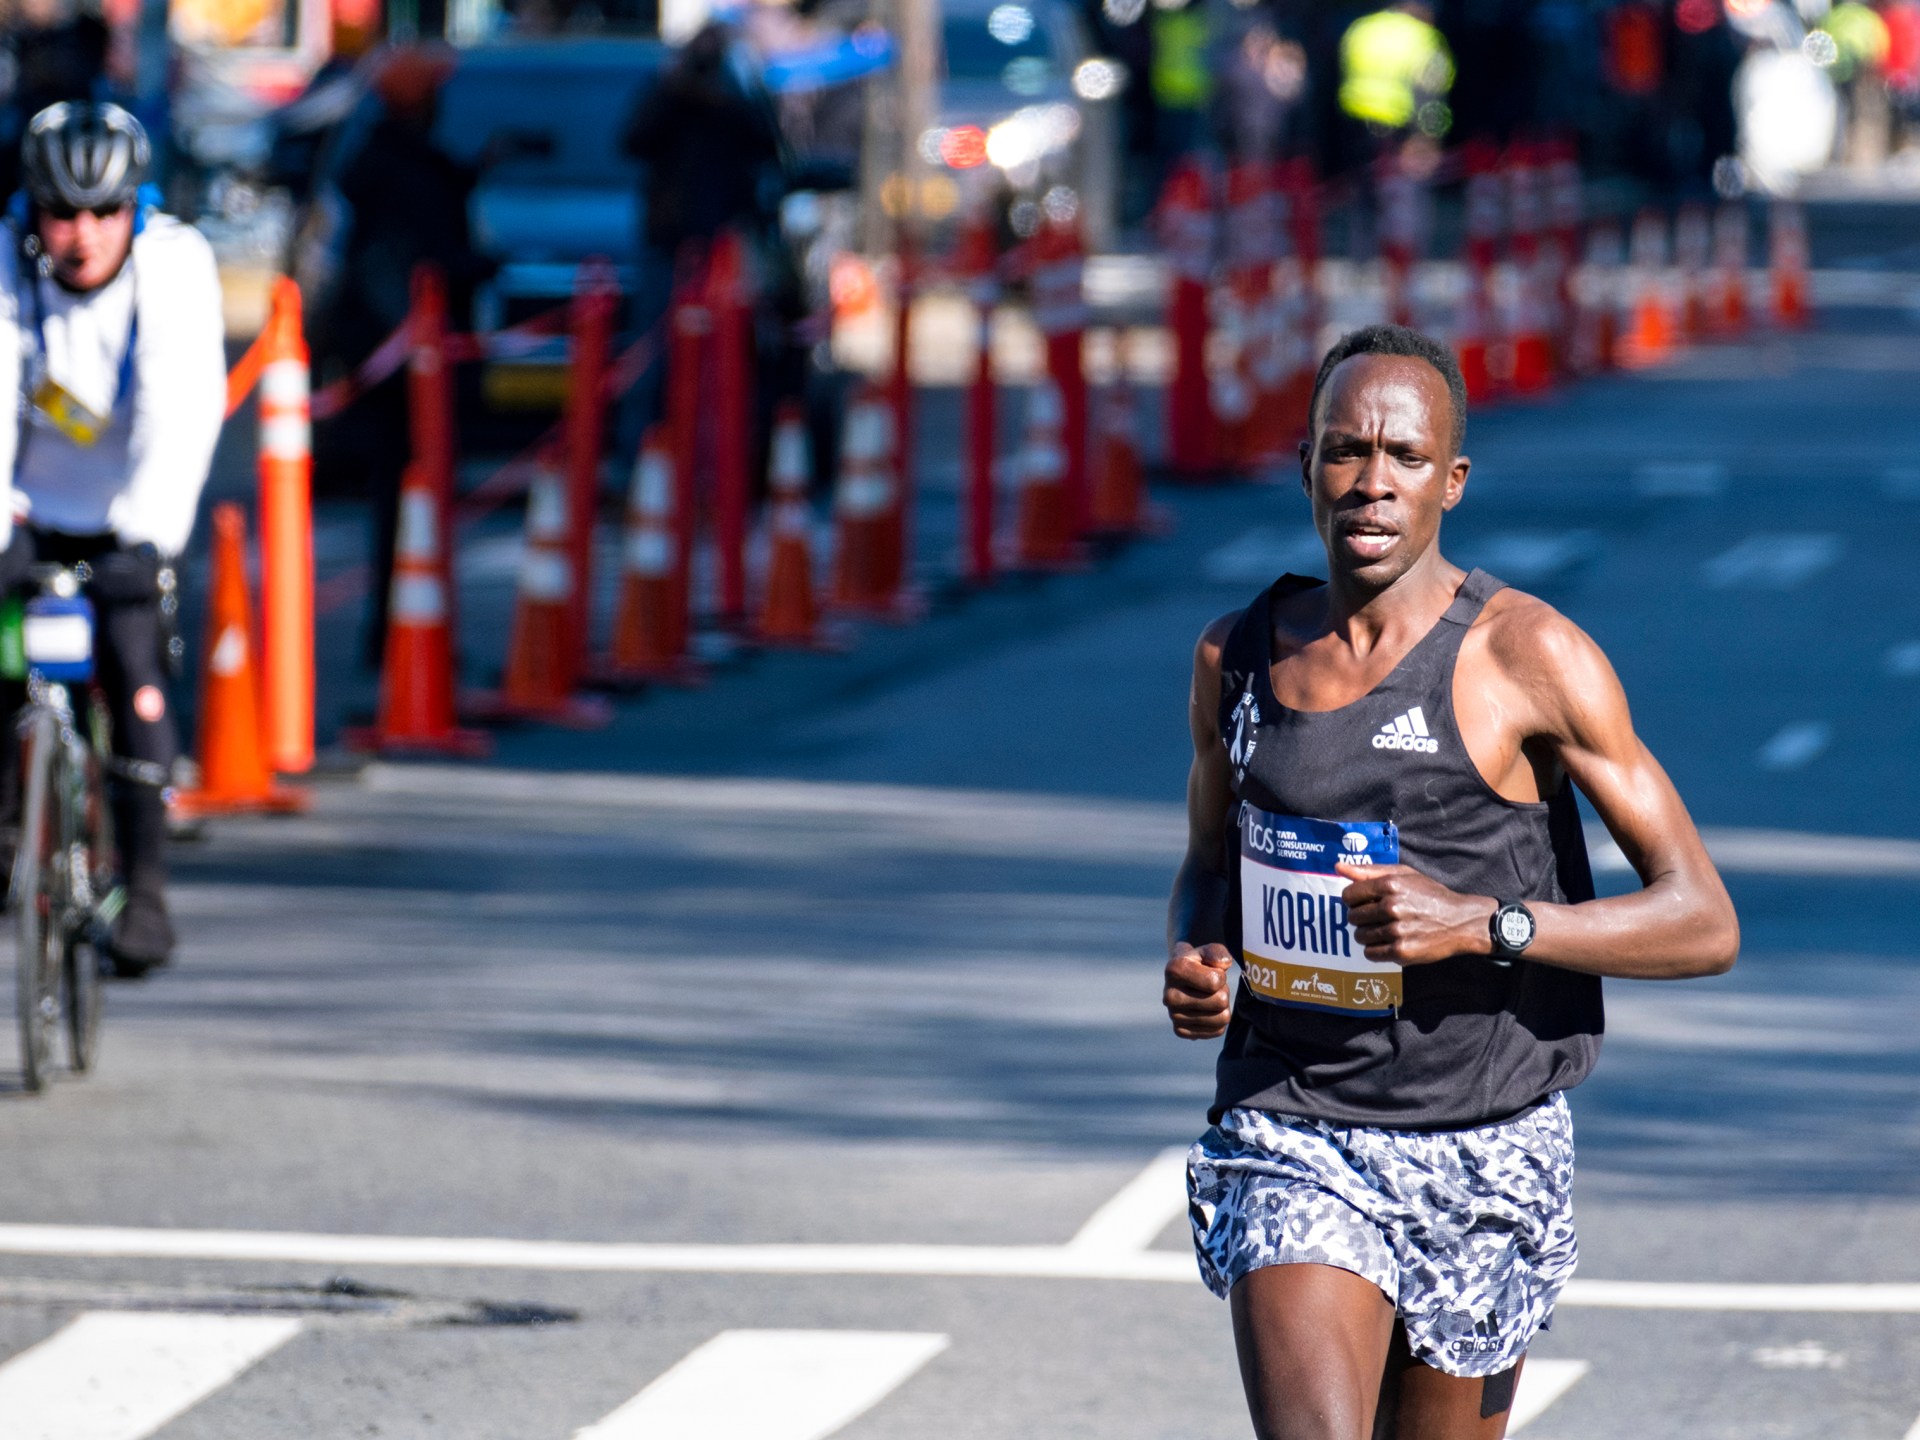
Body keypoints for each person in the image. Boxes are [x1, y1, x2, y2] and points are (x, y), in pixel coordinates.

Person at [1163, 323, 1738, 1439]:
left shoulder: (1529, 656)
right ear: (1307, 467)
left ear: (1452, 481)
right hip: (1296, 1125)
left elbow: (1702, 920)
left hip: (1485, 1141)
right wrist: (1198, 954)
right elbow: (1208, 860)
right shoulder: (1234, 658)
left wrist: (1484, 924)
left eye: (1405, 457)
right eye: (1346, 451)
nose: (1372, 483)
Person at [0, 101, 225, 976]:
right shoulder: (9, 264)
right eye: (62, 214)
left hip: (129, 511)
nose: (83, 235)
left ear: (136, 207)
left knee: (137, 676)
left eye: (104, 213)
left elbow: (182, 410)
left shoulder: (174, 263)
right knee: (4, 669)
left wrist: (149, 537)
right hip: (26, 507)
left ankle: (148, 893)